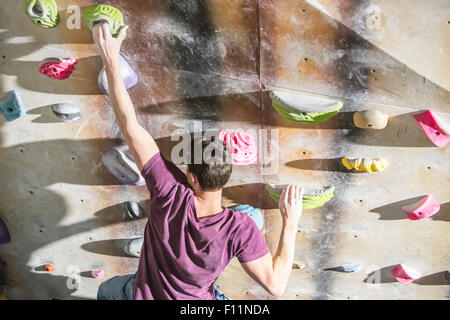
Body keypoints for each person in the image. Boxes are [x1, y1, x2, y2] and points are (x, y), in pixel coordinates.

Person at [93, 23, 304, 300]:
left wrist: (110, 59)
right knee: (250, 217)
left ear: (191, 176)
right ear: (226, 175)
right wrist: (290, 221)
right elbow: (276, 286)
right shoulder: (239, 228)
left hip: (144, 294)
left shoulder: (169, 192)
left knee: (106, 291)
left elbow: (130, 126)